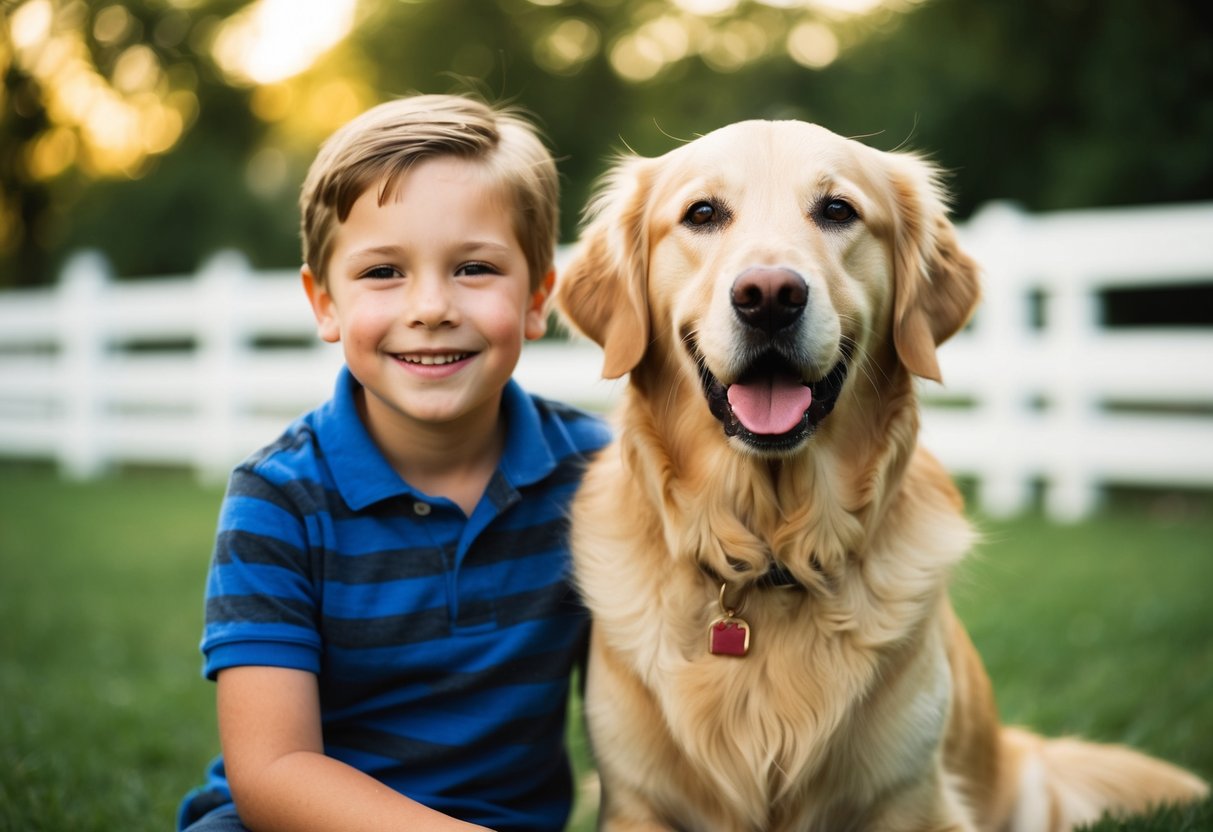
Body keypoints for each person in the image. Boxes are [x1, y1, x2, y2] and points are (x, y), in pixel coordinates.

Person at [177, 94, 610, 832]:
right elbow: (272, 772)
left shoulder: (596, 477)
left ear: (539, 299)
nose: (432, 306)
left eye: (474, 267)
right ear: (325, 303)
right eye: (383, 273)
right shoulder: (277, 498)